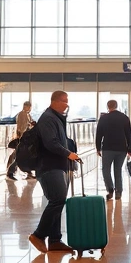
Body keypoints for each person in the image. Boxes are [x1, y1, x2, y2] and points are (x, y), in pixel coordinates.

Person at [28, 90, 81, 254]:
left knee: (57, 201)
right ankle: (38, 235)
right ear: (55, 101)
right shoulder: (48, 119)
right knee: (57, 199)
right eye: (64, 101)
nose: (67, 104)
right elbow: (51, 143)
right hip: (49, 167)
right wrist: (68, 153)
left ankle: (55, 240)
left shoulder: (56, 118)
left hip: (58, 165)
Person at [96, 99, 131, 201]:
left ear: (108, 106)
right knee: (118, 170)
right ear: (116, 106)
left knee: (105, 169)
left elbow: (99, 134)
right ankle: (119, 192)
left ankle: (110, 189)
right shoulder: (124, 118)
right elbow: (129, 134)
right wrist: (129, 149)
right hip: (122, 148)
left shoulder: (104, 118)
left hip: (107, 148)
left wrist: (98, 148)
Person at [8, 101, 35, 180]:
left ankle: (28, 172)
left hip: (26, 138)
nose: (30, 108)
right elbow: (21, 127)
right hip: (23, 138)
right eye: (29, 106)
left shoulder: (27, 115)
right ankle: (11, 172)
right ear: (25, 106)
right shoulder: (22, 114)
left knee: (23, 155)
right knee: (19, 155)